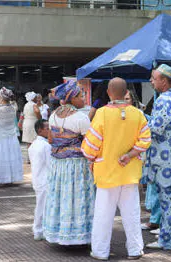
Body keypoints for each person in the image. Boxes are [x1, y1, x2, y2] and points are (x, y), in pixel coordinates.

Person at [82, 78, 151, 260]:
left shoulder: (102, 114)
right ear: (125, 91)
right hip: (130, 172)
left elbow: (90, 145)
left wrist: (90, 158)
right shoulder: (138, 114)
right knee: (132, 214)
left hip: (106, 172)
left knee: (103, 215)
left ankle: (100, 252)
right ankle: (135, 250)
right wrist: (129, 155)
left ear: (109, 92)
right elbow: (145, 141)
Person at [43, 80, 94, 245]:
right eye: (81, 95)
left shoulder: (52, 116)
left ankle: (59, 233)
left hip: (58, 164)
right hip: (76, 165)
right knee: (76, 197)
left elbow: (51, 139)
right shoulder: (81, 118)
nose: (84, 98)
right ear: (72, 98)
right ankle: (79, 235)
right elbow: (89, 144)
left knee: (60, 197)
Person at [143, 64, 171, 250]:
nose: (151, 81)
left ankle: (167, 241)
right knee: (170, 202)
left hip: (163, 159)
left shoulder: (163, 100)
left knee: (167, 202)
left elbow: (156, 129)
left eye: (154, 78)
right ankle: (168, 238)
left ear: (164, 81)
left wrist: (140, 119)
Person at [0, 87, 23, 185]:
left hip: (1, 135)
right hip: (11, 135)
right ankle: (12, 178)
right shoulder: (13, 108)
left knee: (2, 156)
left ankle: (2, 178)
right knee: (11, 156)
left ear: (1, 97)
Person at [28, 119, 51, 241]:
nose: (49, 130)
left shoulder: (33, 145)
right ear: (40, 130)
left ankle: (39, 230)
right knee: (42, 206)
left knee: (41, 205)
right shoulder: (45, 146)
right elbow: (50, 165)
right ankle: (38, 230)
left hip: (37, 179)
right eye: (47, 128)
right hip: (44, 179)